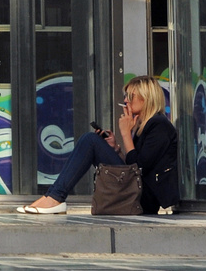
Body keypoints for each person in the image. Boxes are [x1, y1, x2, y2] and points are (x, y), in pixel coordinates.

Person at [17, 75, 179, 215]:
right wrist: (116, 149)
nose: (125, 101)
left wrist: (125, 134)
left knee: (90, 141)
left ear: (146, 97)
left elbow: (139, 168)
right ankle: (51, 196)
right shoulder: (144, 125)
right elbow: (133, 164)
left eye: (130, 96)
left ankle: (55, 198)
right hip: (136, 191)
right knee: (92, 141)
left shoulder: (159, 125)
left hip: (143, 199)